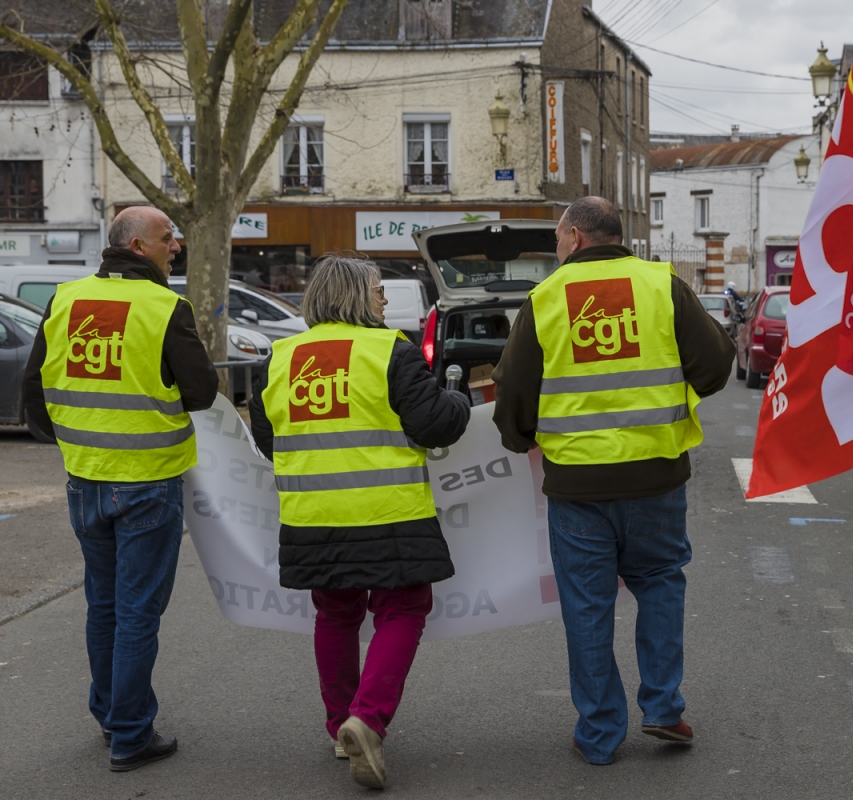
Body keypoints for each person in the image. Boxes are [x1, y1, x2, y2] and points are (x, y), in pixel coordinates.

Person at [492, 197, 735, 765]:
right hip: (656, 476)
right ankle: (664, 709)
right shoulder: (661, 285)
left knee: (587, 604)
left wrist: (518, 436)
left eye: (556, 239)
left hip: (578, 485)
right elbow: (717, 363)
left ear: (575, 237)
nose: (557, 249)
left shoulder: (546, 298)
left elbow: (515, 392)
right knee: (659, 584)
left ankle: (600, 734)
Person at [248, 255, 469, 789]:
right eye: (377, 290)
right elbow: (435, 424)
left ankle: (337, 727)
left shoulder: (280, 358)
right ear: (351, 295)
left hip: (313, 517)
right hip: (387, 513)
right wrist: (459, 399)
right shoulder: (388, 350)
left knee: (336, 614)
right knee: (405, 607)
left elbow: (267, 439)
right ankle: (366, 720)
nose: (385, 300)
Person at [21, 206, 218, 771]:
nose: (175, 245)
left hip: (86, 478)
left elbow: (35, 389)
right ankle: (131, 733)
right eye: (166, 237)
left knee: (103, 604)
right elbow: (201, 392)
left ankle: (110, 714)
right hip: (148, 482)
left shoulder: (67, 299)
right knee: (136, 611)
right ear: (136, 246)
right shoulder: (164, 307)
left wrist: (77, 442)